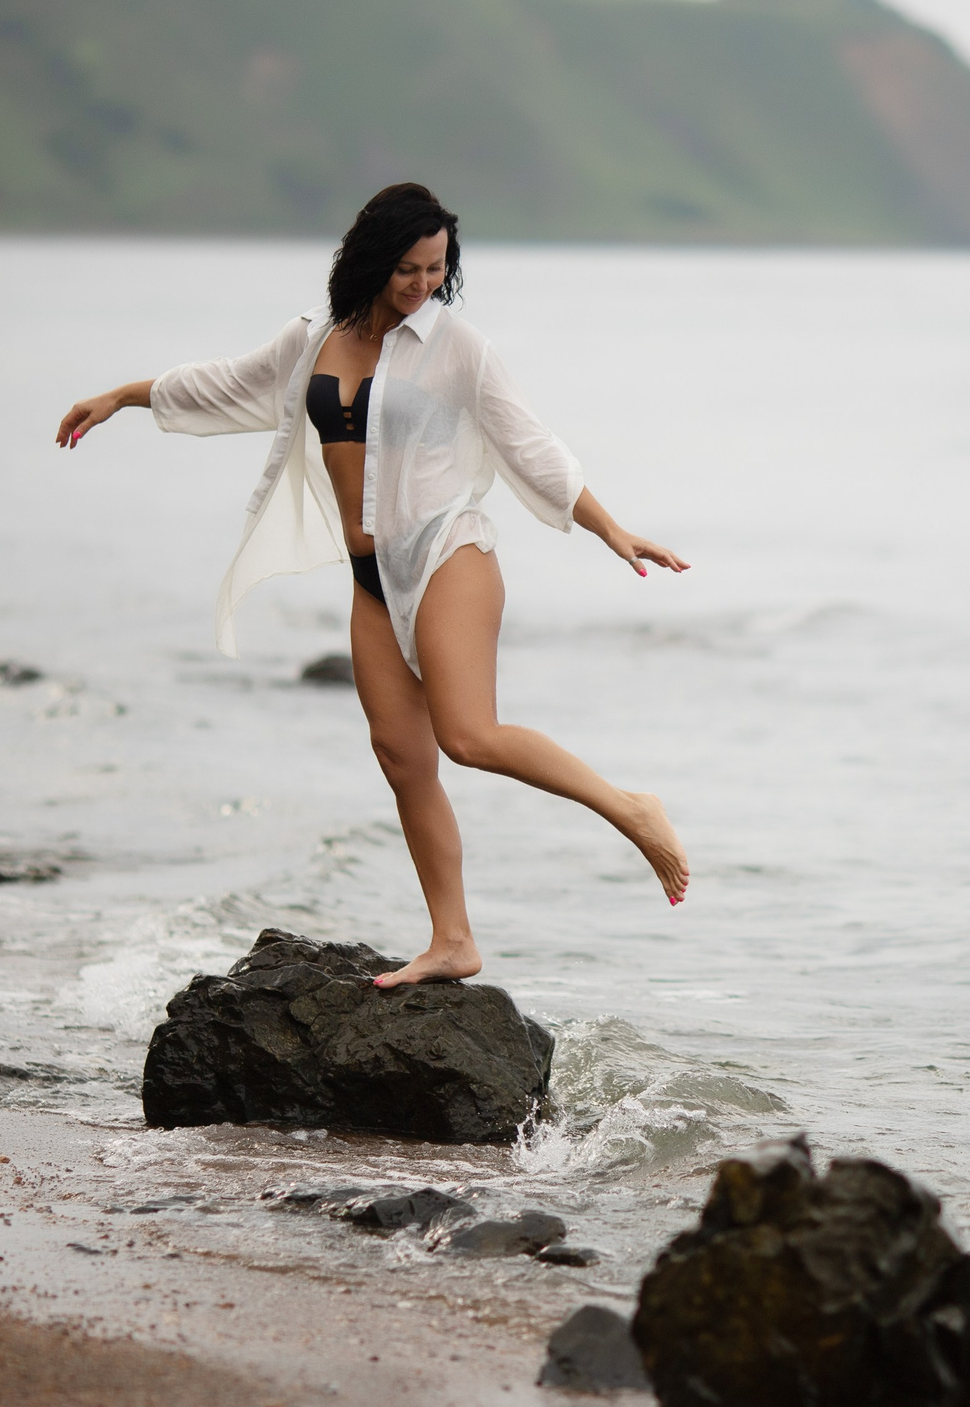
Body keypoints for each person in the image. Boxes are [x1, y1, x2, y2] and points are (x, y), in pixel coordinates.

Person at [55, 183, 688, 986]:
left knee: (467, 736)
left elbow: (530, 446)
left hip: (447, 552)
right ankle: (453, 939)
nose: (423, 283)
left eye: (436, 268)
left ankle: (632, 808)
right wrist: (122, 395)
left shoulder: (458, 349)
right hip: (371, 578)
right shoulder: (313, 340)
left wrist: (610, 528)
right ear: (370, 260)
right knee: (402, 757)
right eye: (407, 269)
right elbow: (222, 384)